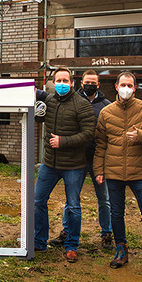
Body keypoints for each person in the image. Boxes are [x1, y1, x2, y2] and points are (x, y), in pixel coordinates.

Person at [94, 71, 142, 274]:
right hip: (114, 172)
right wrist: (99, 170)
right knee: (117, 213)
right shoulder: (106, 112)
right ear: (116, 87)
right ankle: (121, 249)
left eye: (130, 85)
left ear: (135, 88)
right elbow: (100, 144)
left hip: (139, 172)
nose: (126, 89)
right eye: (122, 85)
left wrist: (140, 135)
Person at [34, 67, 96, 263]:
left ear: (72, 83)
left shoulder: (81, 104)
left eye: (65, 80)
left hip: (74, 166)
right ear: (53, 82)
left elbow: (88, 133)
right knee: (38, 201)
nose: (61, 84)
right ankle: (39, 241)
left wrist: (64, 141)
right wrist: (37, 113)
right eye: (58, 80)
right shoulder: (50, 101)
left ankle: (72, 245)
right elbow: (40, 118)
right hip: (49, 164)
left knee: (74, 206)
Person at [48, 69, 114, 251]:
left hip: (97, 158)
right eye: (87, 82)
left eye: (93, 82)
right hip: (76, 159)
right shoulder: (72, 101)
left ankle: (106, 232)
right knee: (72, 199)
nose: (90, 85)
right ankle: (66, 231)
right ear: (81, 83)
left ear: (98, 85)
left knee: (104, 198)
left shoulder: (106, 106)